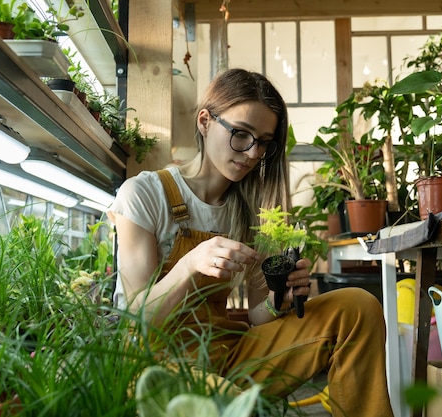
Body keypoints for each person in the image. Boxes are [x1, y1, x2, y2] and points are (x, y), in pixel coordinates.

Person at [108, 68, 394, 416]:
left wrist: (279, 298)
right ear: (204, 122)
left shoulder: (252, 211)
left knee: (358, 307)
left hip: (227, 356)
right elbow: (135, 320)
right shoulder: (145, 194)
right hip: (155, 363)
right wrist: (189, 264)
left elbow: (260, 318)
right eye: (241, 134)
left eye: (264, 142)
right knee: (228, 402)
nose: (252, 153)